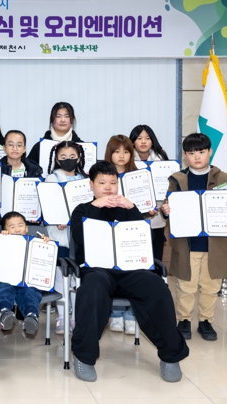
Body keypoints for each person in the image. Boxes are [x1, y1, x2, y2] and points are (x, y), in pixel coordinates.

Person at [69, 161, 189, 382]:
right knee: (92, 290)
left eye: (113, 183)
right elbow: (79, 237)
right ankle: (84, 357)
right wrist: (96, 206)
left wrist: (132, 207)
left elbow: (144, 240)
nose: (108, 188)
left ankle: (171, 356)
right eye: (102, 183)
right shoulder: (82, 209)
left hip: (130, 270)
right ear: (91, 185)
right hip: (98, 269)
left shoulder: (127, 208)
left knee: (157, 287)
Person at [160, 133, 227, 341]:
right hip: (187, 244)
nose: (196, 157)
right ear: (185, 155)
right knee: (185, 286)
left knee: (211, 286)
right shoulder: (177, 179)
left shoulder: (223, 178)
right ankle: (184, 320)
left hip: (215, 244)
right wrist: (166, 210)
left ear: (210, 152)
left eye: (201, 152)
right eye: (191, 153)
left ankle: (206, 321)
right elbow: (167, 205)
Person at [44, 141, 87, 334]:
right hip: (58, 233)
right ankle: (62, 317)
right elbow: (48, 205)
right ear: (56, 159)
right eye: (63, 157)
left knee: (77, 278)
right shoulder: (51, 179)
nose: (68, 160)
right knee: (61, 276)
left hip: (78, 235)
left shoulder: (85, 180)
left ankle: (76, 317)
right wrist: (58, 218)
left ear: (78, 158)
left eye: (72, 157)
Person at [103, 135, 139, 335]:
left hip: (132, 230)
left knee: (134, 270)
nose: (122, 155)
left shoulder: (139, 177)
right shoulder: (102, 175)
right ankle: (115, 313)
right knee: (111, 270)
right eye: (117, 151)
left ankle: (132, 314)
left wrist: (150, 208)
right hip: (108, 231)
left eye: (126, 151)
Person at [0, 211, 43, 333]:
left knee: (31, 293)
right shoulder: (0, 241)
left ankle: (31, 316)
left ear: (26, 228)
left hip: (26, 282)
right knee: (2, 289)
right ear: (4, 230)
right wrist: (1, 240)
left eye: (20, 225)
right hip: (5, 280)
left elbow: (44, 259)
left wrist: (45, 245)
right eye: (12, 227)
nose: (17, 229)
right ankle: (5, 312)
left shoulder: (34, 243)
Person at [0, 130, 44, 226]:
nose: (15, 148)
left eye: (19, 145)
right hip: (1, 223)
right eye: (10, 145)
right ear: (4, 148)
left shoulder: (35, 171)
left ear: (24, 149)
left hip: (26, 224)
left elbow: (41, 200)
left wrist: (37, 214)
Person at [130, 125, 169, 261]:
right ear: (132, 141)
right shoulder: (127, 159)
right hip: (134, 214)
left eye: (147, 138)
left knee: (156, 255)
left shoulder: (162, 159)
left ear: (152, 141)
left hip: (157, 215)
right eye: (139, 138)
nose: (143, 141)